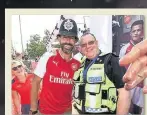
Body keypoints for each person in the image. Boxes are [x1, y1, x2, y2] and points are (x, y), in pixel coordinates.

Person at [30, 19, 81, 115]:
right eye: (65, 37)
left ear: (75, 41)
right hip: (45, 112)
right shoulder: (47, 57)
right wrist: (33, 109)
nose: (68, 41)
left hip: (67, 112)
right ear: (59, 38)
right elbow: (35, 82)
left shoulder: (78, 63)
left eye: (71, 38)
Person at [72, 33, 131, 114]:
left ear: (97, 43)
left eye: (91, 42)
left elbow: (124, 93)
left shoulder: (111, 61)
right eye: (84, 45)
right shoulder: (79, 63)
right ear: (81, 48)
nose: (88, 46)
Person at [119, 20, 144, 114]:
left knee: (140, 110)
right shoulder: (124, 49)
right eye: (134, 31)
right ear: (130, 33)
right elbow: (120, 68)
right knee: (128, 108)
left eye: (139, 30)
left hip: (142, 85)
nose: (136, 33)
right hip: (129, 85)